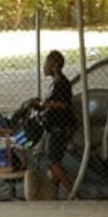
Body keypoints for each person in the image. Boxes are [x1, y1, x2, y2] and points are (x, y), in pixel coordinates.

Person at [30, 50, 77, 199]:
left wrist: (44, 103)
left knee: (52, 161)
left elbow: (64, 104)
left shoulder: (62, 83)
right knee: (52, 161)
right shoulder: (56, 83)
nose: (44, 67)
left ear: (54, 65)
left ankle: (74, 193)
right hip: (54, 126)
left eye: (46, 64)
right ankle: (53, 193)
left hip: (60, 127)